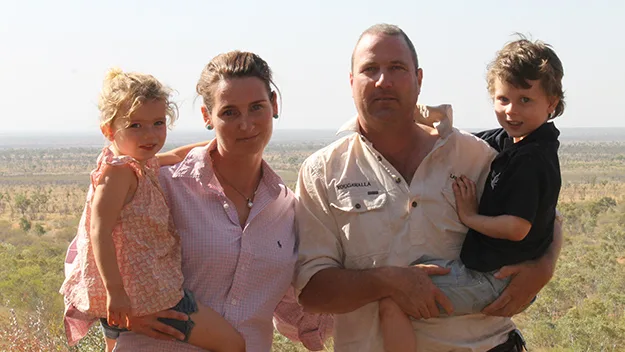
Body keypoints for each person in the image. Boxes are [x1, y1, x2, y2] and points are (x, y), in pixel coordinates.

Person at [295, 23, 563, 351]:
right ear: (351, 82)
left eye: (397, 68)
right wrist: (388, 282)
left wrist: (544, 266)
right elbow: (311, 291)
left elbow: (545, 213)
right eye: (370, 69)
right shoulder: (322, 173)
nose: (383, 80)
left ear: (418, 79)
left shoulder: (474, 155)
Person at [108, 51, 332, 351]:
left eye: (256, 108)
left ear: (274, 106)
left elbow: (299, 318)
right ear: (207, 117)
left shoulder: (288, 210)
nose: (245, 124)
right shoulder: (162, 186)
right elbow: (87, 263)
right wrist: (124, 319)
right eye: (229, 112)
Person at [379, 37, 565, 352]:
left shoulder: (531, 158)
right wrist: (433, 114)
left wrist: (470, 216)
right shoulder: (515, 140)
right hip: (492, 270)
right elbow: (453, 136)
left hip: (496, 278)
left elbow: (517, 227)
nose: (511, 111)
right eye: (503, 99)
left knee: (395, 298)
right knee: (409, 273)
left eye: (525, 100)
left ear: (551, 102)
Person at [60, 68, 245, 352]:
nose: (150, 134)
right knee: (234, 344)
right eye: (136, 125)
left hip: (133, 294)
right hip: (147, 296)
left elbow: (174, 156)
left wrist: (224, 142)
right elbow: (99, 231)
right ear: (109, 130)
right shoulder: (120, 172)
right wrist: (116, 293)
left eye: (158, 123)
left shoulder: (138, 162)